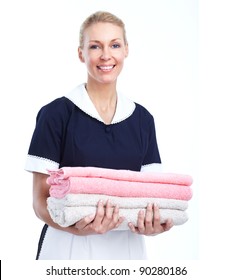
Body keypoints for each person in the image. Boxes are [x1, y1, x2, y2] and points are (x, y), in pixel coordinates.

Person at [25, 11, 173, 260]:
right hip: (68, 250)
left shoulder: (143, 120)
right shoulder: (56, 114)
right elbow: (40, 202)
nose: (106, 55)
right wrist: (76, 229)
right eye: (95, 46)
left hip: (127, 252)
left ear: (126, 49)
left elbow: (150, 197)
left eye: (114, 45)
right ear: (81, 53)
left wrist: (154, 223)